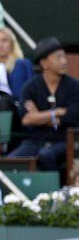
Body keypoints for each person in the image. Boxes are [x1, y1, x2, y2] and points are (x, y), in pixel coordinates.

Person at [8, 37, 79, 172]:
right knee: (11, 161)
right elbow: (27, 119)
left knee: (46, 156)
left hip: (65, 141)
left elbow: (71, 116)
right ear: (45, 63)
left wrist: (38, 116)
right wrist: (56, 112)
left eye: (64, 57)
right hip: (35, 140)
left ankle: (54, 192)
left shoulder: (74, 86)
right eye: (58, 58)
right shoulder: (30, 87)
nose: (64, 61)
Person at [0, 27, 34, 102]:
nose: (1, 44)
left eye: (5, 40)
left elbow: (32, 91)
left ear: (12, 44)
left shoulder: (22, 64)